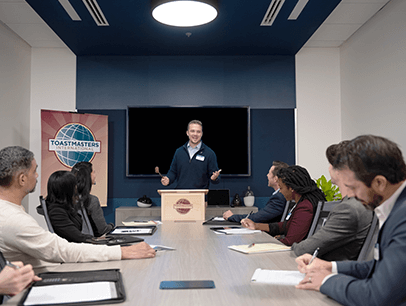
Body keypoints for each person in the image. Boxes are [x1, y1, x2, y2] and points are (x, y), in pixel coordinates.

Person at [0, 146, 156, 270]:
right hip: (50, 276)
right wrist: (123, 252)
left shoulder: (10, 212)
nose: (37, 176)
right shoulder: (13, 220)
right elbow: (61, 250)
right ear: (22, 179)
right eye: (34, 171)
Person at [296, 135, 406, 306]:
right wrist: (330, 267)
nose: (352, 195)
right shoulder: (394, 207)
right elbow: (379, 267)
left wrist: (326, 281)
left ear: (379, 183)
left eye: (354, 187)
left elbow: (377, 296)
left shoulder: (403, 217)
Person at [291, 158, 373, 261]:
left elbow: (306, 249)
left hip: (329, 269)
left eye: (330, 164)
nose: (329, 168)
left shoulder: (348, 208)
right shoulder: (357, 203)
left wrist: (293, 248)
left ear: (339, 171)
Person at [242, 165, 326, 246]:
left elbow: (290, 242)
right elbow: (284, 226)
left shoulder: (305, 207)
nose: (280, 192)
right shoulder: (301, 203)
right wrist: (256, 226)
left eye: (281, 188)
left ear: (291, 188)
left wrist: (263, 243)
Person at [160, 120, 221, 189]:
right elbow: (173, 172)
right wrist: (168, 179)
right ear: (187, 133)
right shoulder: (179, 152)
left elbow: (216, 178)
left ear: (202, 134)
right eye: (192, 131)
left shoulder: (209, 154)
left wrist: (214, 178)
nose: (195, 134)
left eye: (198, 131)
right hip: (181, 195)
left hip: (200, 196)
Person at [223, 161, 288, 223]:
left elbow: (257, 218)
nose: (267, 175)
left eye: (269, 173)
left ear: (276, 178)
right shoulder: (282, 195)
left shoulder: (279, 197)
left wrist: (232, 217)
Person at [46, 171, 94, 243]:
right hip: (71, 250)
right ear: (67, 190)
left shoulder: (65, 207)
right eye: (74, 186)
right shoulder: (56, 212)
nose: (76, 189)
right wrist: (97, 239)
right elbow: (77, 237)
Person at [71, 161, 114, 237]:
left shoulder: (65, 199)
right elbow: (102, 230)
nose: (95, 175)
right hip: (89, 243)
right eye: (93, 172)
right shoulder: (91, 200)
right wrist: (112, 226)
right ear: (88, 176)